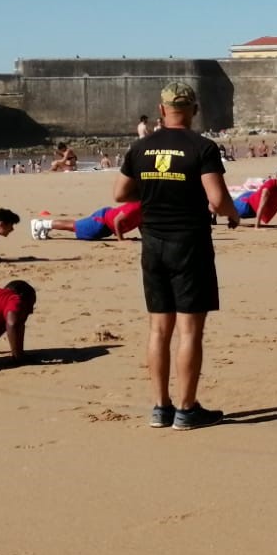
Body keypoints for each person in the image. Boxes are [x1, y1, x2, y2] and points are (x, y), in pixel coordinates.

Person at [118, 81, 235, 429]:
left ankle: (160, 407)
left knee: (158, 329)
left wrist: (155, 185)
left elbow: (120, 193)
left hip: (152, 243)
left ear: (161, 110)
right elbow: (216, 199)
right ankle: (186, 409)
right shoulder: (202, 147)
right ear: (194, 110)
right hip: (189, 244)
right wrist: (233, 214)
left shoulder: (141, 147)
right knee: (189, 331)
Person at [35, 202, 142, 241]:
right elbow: (117, 220)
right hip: (102, 222)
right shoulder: (137, 205)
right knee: (74, 226)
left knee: (75, 224)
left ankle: (45, 225)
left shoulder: (146, 208)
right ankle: (42, 224)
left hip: (106, 223)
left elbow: (141, 224)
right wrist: (121, 239)